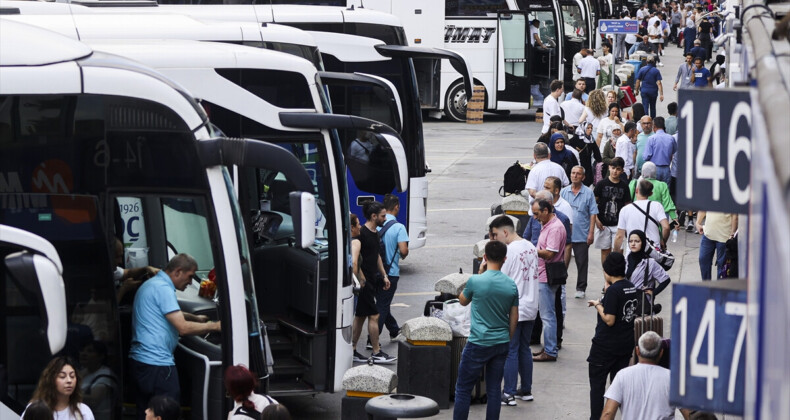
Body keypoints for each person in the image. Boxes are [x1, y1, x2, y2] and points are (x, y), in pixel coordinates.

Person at [129, 254, 222, 418]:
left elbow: (168, 312)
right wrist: (215, 326)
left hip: (141, 362)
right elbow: (183, 329)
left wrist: (196, 318)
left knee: (146, 413)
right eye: (190, 276)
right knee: (168, 413)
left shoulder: (153, 284)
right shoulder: (163, 289)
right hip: (157, 364)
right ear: (178, 271)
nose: (190, 282)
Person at [454, 240, 518, 420]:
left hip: (478, 342)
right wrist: (508, 338)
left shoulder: (476, 281)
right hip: (501, 342)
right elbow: (514, 317)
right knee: (494, 389)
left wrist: (479, 273)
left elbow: (462, 300)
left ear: (485, 257)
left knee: (463, 388)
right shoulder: (511, 285)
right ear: (505, 259)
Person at [488, 216, 539, 406]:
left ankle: (508, 393)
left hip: (515, 308)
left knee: (511, 350)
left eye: (495, 235)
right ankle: (526, 390)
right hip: (532, 304)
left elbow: (499, 278)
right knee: (524, 348)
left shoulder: (509, 252)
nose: (494, 240)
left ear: (505, 232)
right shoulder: (531, 247)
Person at [586, 253, 638, 420]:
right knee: (618, 387)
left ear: (607, 271)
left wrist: (598, 305)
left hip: (605, 347)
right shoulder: (631, 287)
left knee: (597, 387)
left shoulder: (614, 291)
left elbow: (609, 319)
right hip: (624, 345)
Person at [601, 332, 691, 420]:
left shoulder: (622, 376)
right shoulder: (672, 378)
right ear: (661, 353)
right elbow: (689, 414)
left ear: (637, 351)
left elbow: (607, 414)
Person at [352, 201, 396, 364]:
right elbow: (356, 260)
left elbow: (376, 256)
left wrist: (384, 275)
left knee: (360, 316)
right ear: (374, 216)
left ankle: (353, 349)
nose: (385, 218)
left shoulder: (376, 233)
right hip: (364, 283)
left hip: (372, 280)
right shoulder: (361, 234)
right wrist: (361, 279)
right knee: (375, 315)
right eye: (383, 216)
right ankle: (376, 351)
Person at [531, 195, 566, 362]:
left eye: (537, 213)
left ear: (546, 210)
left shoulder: (555, 228)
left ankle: (550, 350)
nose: (535, 217)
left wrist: (531, 251)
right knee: (547, 314)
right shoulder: (547, 224)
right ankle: (549, 347)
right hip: (543, 274)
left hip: (547, 275)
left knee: (547, 315)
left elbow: (550, 253)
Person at [561, 166, 599, 299]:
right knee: (562, 261)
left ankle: (581, 287)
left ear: (583, 177)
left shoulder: (588, 193)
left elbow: (593, 213)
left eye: (578, 174)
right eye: (573, 173)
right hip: (565, 233)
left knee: (581, 262)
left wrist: (591, 232)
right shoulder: (564, 192)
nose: (575, 176)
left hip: (581, 233)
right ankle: (560, 283)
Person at [376, 194, 409, 342]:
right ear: (396, 207)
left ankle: (394, 330)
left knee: (383, 303)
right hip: (391, 272)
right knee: (382, 306)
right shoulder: (399, 227)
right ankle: (373, 340)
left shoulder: (376, 224)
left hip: (375, 272)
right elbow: (403, 251)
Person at [24, 356, 95, 420]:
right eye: (62, 376)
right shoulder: (36, 409)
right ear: (51, 380)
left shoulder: (83, 411)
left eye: (72, 376)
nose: (69, 381)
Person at [614, 180, 671, 256]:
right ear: (651, 193)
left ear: (636, 190)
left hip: (632, 252)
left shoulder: (625, 209)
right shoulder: (657, 206)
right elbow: (666, 227)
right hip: (653, 251)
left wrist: (615, 254)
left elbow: (619, 236)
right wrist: (663, 241)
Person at [594, 157, 631, 266]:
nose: (615, 171)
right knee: (605, 251)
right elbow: (592, 204)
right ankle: (607, 277)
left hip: (618, 225)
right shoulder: (601, 184)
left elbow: (627, 205)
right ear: (609, 168)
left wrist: (627, 223)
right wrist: (596, 219)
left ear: (622, 171)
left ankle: (617, 275)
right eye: (613, 168)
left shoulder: (624, 186)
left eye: (618, 169)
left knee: (618, 251)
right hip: (603, 224)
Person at [79, 341, 117, 419]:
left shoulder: (106, 375)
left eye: (90, 351)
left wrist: (67, 395)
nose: (83, 353)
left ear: (101, 356)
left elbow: (93, 400)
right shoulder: (84, 371)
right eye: (82, 350)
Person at [113, 238, 159, 303]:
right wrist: (123, 289)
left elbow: (128, 273)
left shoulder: (114, 271)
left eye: (121, 256)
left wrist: (145, 269)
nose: (120, 261)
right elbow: (109, 309)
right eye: (117, 257)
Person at [695, 211, 738, 280]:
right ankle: (707, 287)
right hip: (707, 234)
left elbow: (734, 216)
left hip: (724, 237)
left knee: (722, 267)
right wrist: (697, 223)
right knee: (703, 260)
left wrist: (732, 234)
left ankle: (719, 288)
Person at [642, 116, 676, 184]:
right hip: (666, 169)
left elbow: (646, 157)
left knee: (654, 190)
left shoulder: (651, 139)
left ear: (654, 126)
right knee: (665, 191)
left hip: (654, 169)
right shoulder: (671, 138)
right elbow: (674, 151)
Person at [574, 122, 603, 187]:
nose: (590, 130)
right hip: (577, 163)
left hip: (587, 164)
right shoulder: (576, 138)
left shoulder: (591, 139)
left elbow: (596, 151)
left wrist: (600, 161)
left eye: (591, 128)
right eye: (588, 128)